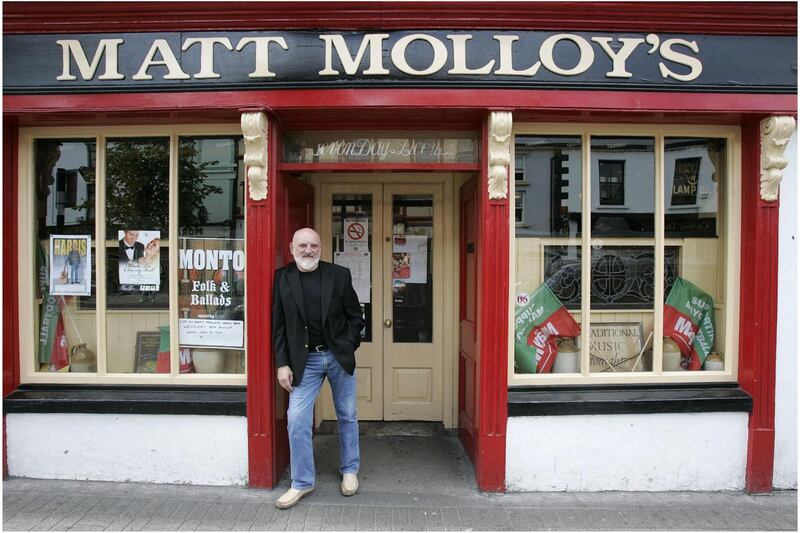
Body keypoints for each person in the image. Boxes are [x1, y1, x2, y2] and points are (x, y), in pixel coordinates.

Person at [272, 227, 365, 510]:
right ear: (292, 247)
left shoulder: (339, 275)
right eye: (302, 245)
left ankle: (350, 469)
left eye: (313, 245)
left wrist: (347, 345)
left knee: (347, 415)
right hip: (305, 361)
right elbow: (278, 325)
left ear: (321, 248)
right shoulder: (282, 277)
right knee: (297, 419)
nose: (308, 250)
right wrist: (282, 363)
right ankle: (302, 482)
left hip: (337, 356)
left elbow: (356, 317)